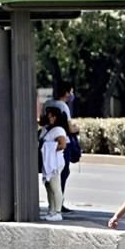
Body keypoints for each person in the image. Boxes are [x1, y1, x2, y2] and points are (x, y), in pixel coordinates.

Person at [42, 81, 78, 211]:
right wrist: (77, 129)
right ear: (66, 93)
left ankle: (52, 206)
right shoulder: (63, 106)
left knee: (49, 179)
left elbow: (42, 121)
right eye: (70, 92)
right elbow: (69, 127)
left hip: (48, 143)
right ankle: (58, 206)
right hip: (61, 143)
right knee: (61, 175)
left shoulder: (47, 103)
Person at [39, 106, 68, 222]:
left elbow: (62, 145)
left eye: (52, 116)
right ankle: (51, 210)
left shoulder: (59, 130)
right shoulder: (47, 129)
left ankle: (58, 212)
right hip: (47, 162)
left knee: (55, 187)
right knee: (49, 187)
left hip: (54, 162)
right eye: (49, 116)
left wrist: (49, 148)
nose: (50, 118)